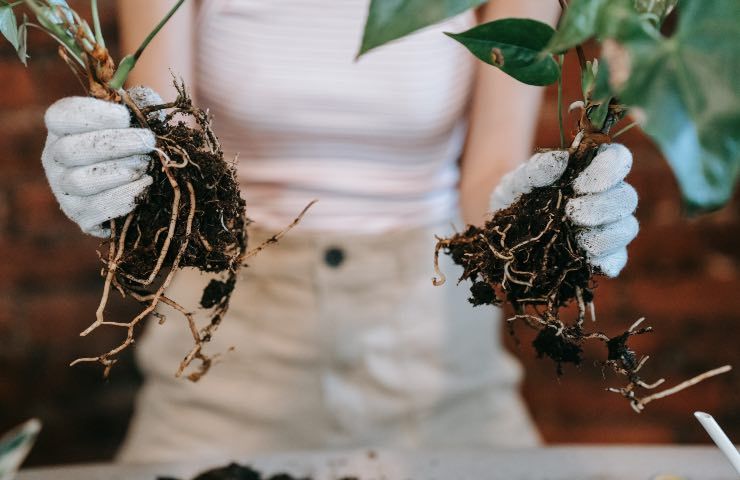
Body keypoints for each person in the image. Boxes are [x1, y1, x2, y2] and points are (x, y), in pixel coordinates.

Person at [40, 0, 638, 463]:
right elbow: (167, 139)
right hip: (222, 357)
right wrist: (113, 174)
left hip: (436, 355)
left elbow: (488, 173)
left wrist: (539, 216)